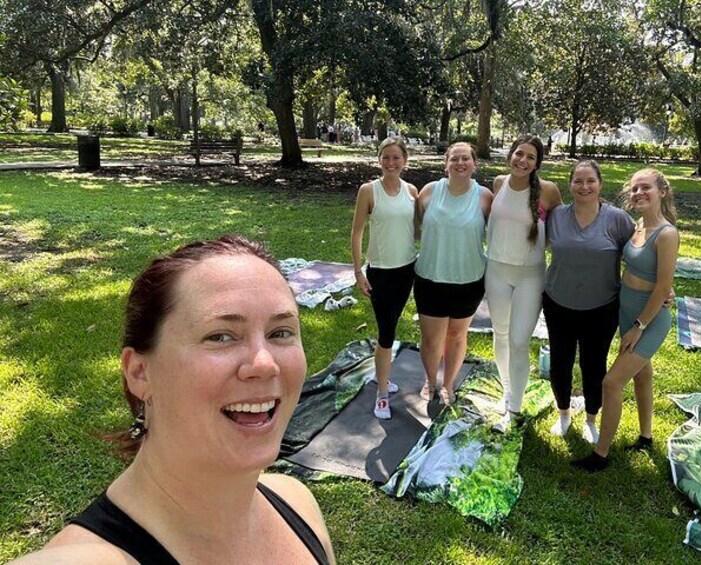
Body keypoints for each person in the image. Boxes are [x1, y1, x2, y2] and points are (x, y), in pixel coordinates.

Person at [13, 236, 335, 564]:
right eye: (220, 336)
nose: (265, 363)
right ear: (139, 373)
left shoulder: (298, 505)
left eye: (280, 332)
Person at [572, 169, 679, 473]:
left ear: (662, 191)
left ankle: (601, 454)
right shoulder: (639, 226)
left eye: (645, 188)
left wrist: (639, 327)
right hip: (626, 310)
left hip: (648, 319)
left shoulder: (667, 234)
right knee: (642, 375)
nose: (638, 194)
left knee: (612, 381)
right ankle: (646, 437)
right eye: (634, 189)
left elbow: (661, 287)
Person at [543, 160, 635, 445]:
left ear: (600, 184)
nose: (584, 187)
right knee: (560, 363)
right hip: (558, 303)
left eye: (590, 181)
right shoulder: (557, 216)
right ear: (569, 185)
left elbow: (643, 253)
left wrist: (662, 288)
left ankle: (592, 419)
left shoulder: (618, 219)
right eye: (578, 181)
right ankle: (563, 413)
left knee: (594, 365)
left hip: (602, 307)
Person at [486, 135, 562, 432]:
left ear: (537, 163)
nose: (523, 161)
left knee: (519, 341)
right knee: (501, 334)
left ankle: (514, 410)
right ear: (510, 155)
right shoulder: (498, 183)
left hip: (531, 276)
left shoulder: (548, 191)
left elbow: (564, 230)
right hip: (496, 271)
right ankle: (508, 393)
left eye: (530, 157)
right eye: (519, 154)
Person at [415, 142, 493, 406]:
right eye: (455, 159)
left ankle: (448, 384)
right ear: (445, 164)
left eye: (466, 159)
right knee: (431, 338)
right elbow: (415, 228)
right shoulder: (429, 192)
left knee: (457, 335)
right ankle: (430, 380)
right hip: (430, 277)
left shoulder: (484, 197)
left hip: (469, 280)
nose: (460, 163)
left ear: (474, 164)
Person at [351, 137, 418, 419]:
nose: (391, 163)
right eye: (386, 157)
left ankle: (383, 378)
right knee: (387, 331)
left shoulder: (412, 191)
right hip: (379, 272)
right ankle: (381, 394)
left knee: (391, 326)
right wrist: (358, 270)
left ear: (405, 161)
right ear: (379, 160)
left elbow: (416, 230)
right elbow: (356, 232)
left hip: (407, 270)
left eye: (396, 158)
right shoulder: (369, 191)